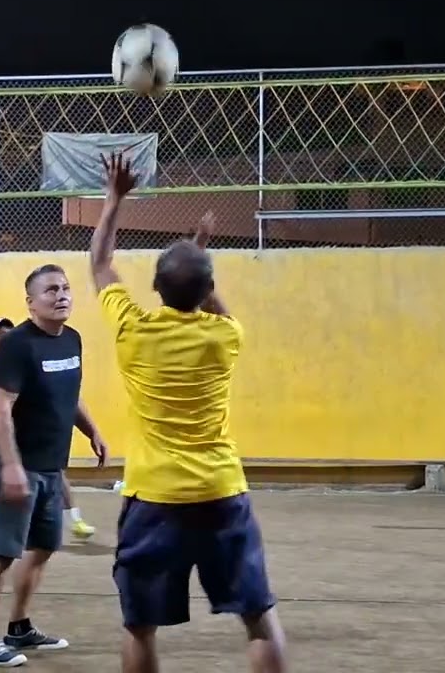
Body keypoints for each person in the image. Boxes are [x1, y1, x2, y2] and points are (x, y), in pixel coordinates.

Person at [89, 151, 287, 673]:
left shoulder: (133, 331)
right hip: (221, 491)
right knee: (258, 618)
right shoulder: (225, 337)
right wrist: (199, 256)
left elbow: (101, 264)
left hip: (155, 498)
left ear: (155, 288)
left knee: (140, 625)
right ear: (208, 289)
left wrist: (114, 199)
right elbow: (212, 306)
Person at [0, 264, 109, 667]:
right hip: (18, 465)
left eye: (65, 288)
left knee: (44, 546)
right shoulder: (15, 346)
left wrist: (92, 430)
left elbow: (70, 395)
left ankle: (19, 627)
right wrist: (11, 467)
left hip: (51, 466)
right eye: (50, 290)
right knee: (2, 554)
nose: (61, 295)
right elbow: (1, 410)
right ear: (30, 303)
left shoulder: (72, 339)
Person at [0, 318, 98, 543]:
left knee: (54, 471)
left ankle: (75, 519)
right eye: (1, 337)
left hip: (31, 424)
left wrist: (90, 431)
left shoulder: (27, 356)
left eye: (8, 337)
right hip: (3, 425)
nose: (5, 341)